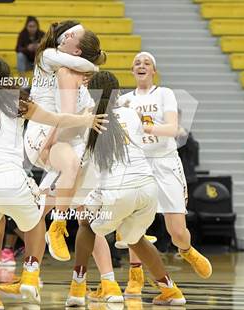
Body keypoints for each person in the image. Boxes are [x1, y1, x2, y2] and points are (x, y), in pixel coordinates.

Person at [0, 57, 108, 308]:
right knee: (36, 221)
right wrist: (85, 120)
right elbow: (57, 119)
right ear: (7, 80)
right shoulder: (20, 103)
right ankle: (31, 275)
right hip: (10, 179)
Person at [66, 71, 186, 306]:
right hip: (148, 188)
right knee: (136, 237)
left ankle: (77, 288)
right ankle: (171, 291)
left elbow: (80, 170)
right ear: (118, 93)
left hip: (119, 189)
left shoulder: (89, 122)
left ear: (91, 95)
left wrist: (64, 198)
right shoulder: (131, 114)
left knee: (86, 223)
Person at [117, 52, 212, 296]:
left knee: (177, 231)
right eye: (137, 63)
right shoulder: (124, 100)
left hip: (165, 162)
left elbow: (172, 129)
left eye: (146, 63)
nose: (141, 65)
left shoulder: (165, 94)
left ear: (154, 71)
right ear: (132, 70)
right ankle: (135, 276)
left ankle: (187, 250)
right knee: (133, 224)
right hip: (138, 163)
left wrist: (144, 125)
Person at [24, 21, 106, 263]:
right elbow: (66, 117)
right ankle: (57, 227)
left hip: (67, 137)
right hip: (45, 132)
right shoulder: (50, 57)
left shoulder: (77, 74)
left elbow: (85, 110)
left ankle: (107, 281)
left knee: (82, 213)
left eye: (74, 35)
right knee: (71, 173)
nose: (69, 36)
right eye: (69, 33)